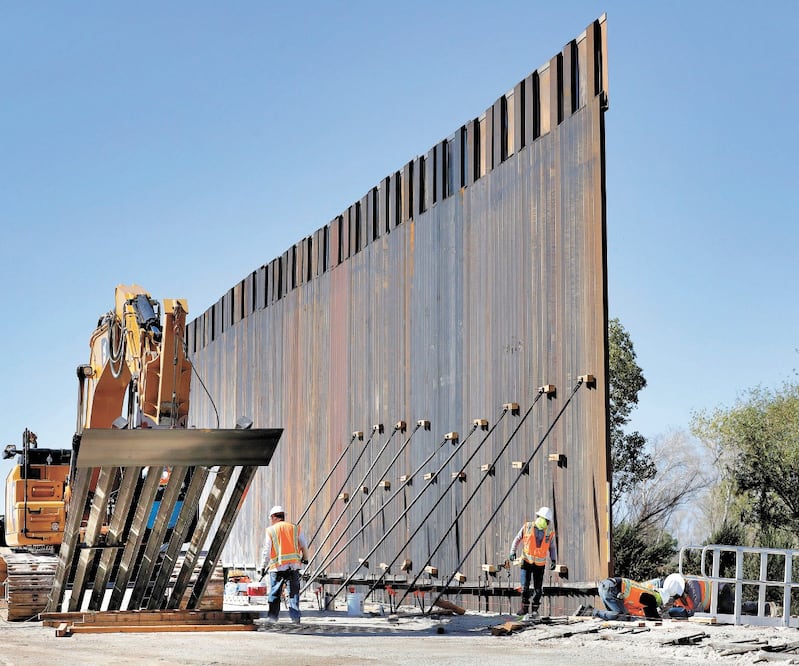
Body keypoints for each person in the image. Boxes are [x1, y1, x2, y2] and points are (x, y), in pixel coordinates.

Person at [260, 505, 309, 625]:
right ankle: (295, 619)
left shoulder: (271, 530)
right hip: (293, 567)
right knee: (293, 594)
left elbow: (267, 550)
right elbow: (304, 544)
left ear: (273, 517)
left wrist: (262, 565)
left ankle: (272, 618)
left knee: (275, 594)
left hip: (277, 568)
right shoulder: (295, 528)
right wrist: (305, 558)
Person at [509, 505, 557, 617]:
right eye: (542, 518)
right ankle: (524, 608)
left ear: (548, 521)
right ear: (538, 516)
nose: (543, 521)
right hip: (526, 562)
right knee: (524, 587)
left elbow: (552, 547)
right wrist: (512, 551)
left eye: (546, 520)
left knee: (538, 590)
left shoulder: (549, 532)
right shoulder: (527, 527)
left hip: (539, 565)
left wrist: (553, 560)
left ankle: (535, 610)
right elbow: (517, 539)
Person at [594, 576, 669, 620]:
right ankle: (593, 612)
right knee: (621, 616)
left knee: (614, 616)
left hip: (606, 586)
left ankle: (592, 612)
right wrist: (659, 618)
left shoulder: (647, 589)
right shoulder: (651, 598)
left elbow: (631, 612)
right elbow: (652, 616)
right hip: (612, 588)